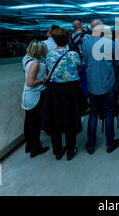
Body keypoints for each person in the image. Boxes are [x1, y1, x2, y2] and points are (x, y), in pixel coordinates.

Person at [44, 28, 85, 161]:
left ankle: (57, 151)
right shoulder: (73, 54)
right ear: (67, 39)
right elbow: (79, 66)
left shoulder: (49, 55)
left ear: (54, 40)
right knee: (70, 120)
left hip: (53, 91)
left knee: (55, 120)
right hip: (70, 91)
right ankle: (70, 149)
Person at [82, 20, 119, 154]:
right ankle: (110, 143)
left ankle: (91, 144)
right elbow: (118, 64)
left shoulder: (85, 43)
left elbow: (84, 63)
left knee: (93, 112)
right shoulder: (110, 44)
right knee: (109, 112)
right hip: (108, 83)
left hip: (92, 84)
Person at [21, 40, 50, 158]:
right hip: (34, 95)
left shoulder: (26, 59)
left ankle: (29, 144)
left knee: (28, 121)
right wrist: (44, 79)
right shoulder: (35, 64)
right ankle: (36, 147)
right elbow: (30, 82)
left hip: (27, 95)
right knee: (35, 124)